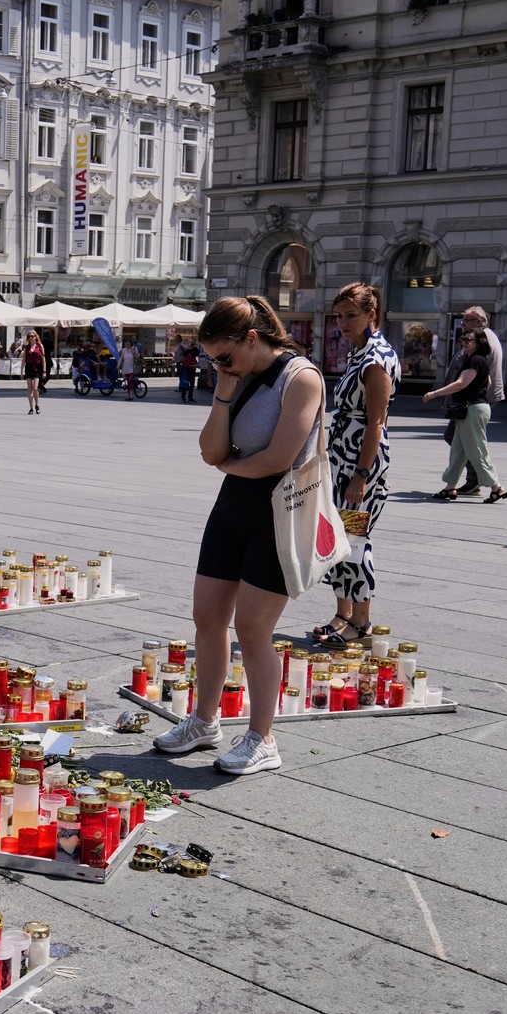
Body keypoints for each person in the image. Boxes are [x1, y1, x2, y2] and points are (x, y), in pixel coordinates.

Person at [152, 296, 324, 777]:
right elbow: (210, 451)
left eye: (225, 357)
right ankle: (205, 721)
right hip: (233, 504)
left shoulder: (301, 378)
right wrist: (224, 392)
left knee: (252, 629)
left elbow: (278, 459)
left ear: (252, 337)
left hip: (282, 509)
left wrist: (230, 464)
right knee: (207, 617)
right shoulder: (236, 376)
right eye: (212, 361)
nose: (220, 367)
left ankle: (262, 738)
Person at [308, 283, 399, 647]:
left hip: (361, 463)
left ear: (370, 314)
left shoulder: (376, 358)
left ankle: (361, 624)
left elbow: (376, 423)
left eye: (351, 315)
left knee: (355, 539)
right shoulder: (358, 352)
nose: (343, 323)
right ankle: (343, 614)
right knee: (338, 538)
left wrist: (360, 476)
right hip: (343, 459)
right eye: (339, 316)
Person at [422, 328, 507, 503]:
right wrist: (478, 392)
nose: (465, 342)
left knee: (477, 450)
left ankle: (496, 487)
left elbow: (461, 383)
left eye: (469, 340)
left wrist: (435, 393)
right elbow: (488, 381)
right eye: (464, 339)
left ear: (478, 343)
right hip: (474, 408)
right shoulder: (480, 360)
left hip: (472, 410)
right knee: (458, 450)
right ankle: (450, 487)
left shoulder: (475, 360)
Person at [439, 307, 507, 494]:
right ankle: (455, 485)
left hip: (472, 401)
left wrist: (436, 393)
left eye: (466, 321)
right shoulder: (482, 338)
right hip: (475, 400)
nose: (463, 325)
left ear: (478, 321)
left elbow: (470, 378)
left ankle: (484, 481)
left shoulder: (480, 341)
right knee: (460, 441)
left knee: (466, 441)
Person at [23, 329, 47, 414]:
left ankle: (37, 405)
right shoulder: (26, 347)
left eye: (32, 336)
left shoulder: (40, 346)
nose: (30, 338)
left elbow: (43, 359)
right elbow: (23, 360)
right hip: (28, 367)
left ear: (36, 337)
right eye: (29, 336)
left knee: (35, 388)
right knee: (29, 388)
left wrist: (44, 371)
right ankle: (31, 408)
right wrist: (21, 371)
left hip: (37, 368)